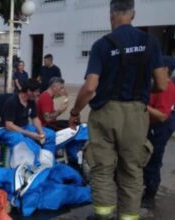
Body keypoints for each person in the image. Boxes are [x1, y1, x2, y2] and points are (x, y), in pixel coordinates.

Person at [67, 0, 168, 219]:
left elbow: (90, 87)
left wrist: (75, 112)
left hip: (105, 113)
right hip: (136, 114)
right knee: (132, 170)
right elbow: (161, 84)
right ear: (133, 14)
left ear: (111, 14)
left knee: (102, 169)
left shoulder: (102, 45)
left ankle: (103, 216)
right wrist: (140, 90)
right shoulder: (151, 43)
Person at [142, 56, 175, 208]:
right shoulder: (156, 85)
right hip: (151, 126)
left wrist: (142, 105)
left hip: (159, 128)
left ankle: (150, 195)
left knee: (153, 161)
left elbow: (162, 116)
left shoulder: (166, 88)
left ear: (166, 70)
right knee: (145, 157)